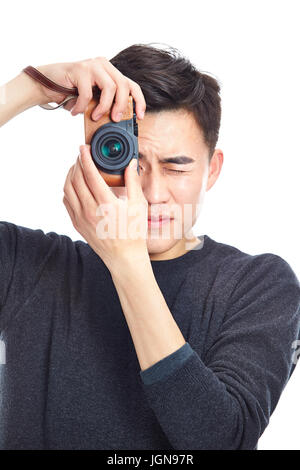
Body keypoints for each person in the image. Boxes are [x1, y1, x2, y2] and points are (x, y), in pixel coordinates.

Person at [0, 43, 299, 450]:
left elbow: (220, 440)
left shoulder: (258, 285)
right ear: (97, 157)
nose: (154, 193)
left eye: (177, 167)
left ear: (212, 169)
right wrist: (31, 86)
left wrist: (128, 263)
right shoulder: (29, 267)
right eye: (130, 163)